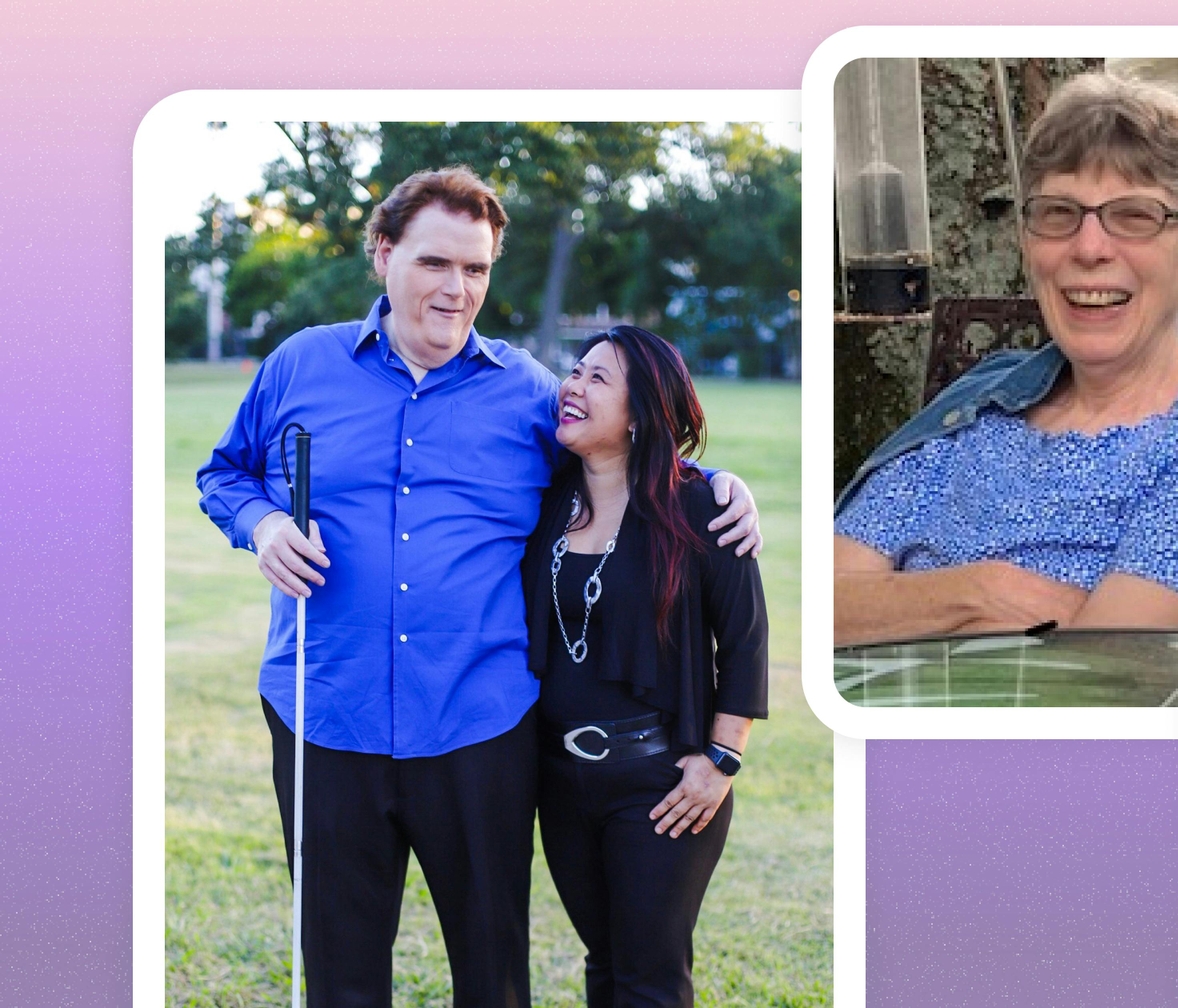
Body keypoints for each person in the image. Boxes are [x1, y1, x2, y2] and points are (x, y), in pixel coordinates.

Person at [195, 165, 762, 1006]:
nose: (456, 289)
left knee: (493, 974)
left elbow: (620, 450)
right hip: (326, 710)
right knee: (340, 974)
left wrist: (710, 481)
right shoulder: (299, 365)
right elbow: (223, 474)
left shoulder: (529, 393)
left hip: (479, 723)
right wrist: (264, 524)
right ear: (383, 253)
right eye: (435, 262)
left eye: (476, 268)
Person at [833, 72, 1178, 647]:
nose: (1089, 248)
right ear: (1028, 245)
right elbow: (820, 606)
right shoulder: (973, 417)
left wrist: (902, 604)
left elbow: (1103, 663)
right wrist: (980, 592)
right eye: (1058, 213)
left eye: (1135, 216)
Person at [522, 325, 767, 1007]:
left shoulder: (701, 509)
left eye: (598, 379)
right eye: (575, 371)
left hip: (660, 782)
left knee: (649, 980)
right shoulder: (546, 500)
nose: (572, 386)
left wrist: (720, 760)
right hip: (560, 781)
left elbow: (745, 641)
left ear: (641, 413)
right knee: (604, 964)